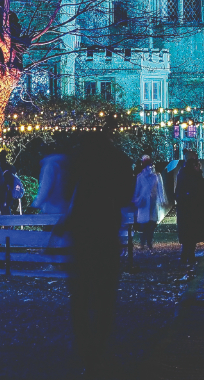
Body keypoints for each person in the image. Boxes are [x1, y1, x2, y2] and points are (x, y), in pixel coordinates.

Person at [59, 131, 133, 377]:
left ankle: (85, 351)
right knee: (104, 297)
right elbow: (125, 196)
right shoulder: (118, 159)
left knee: (79, 297)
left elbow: (66, 192)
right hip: (106, 232)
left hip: (81, 235)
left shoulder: (77, 159)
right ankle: (98, 349)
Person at [174, 153, 204, 265]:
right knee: (191, 235)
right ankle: (188, 255)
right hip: (194, 210)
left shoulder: (183, 174)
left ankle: (186, 255)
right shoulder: (194, 177)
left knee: (187, 236)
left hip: (186, 210)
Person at [132, 155, 166, 249]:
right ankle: (143, 243)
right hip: (144, 203)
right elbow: (137, 190)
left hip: (152, 203)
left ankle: (148, 242)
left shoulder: (155, 176)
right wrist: (136, 199)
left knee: (151, 224)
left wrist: (162, 199)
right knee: (144, 225)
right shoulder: (140, 177)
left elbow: (160, 188)